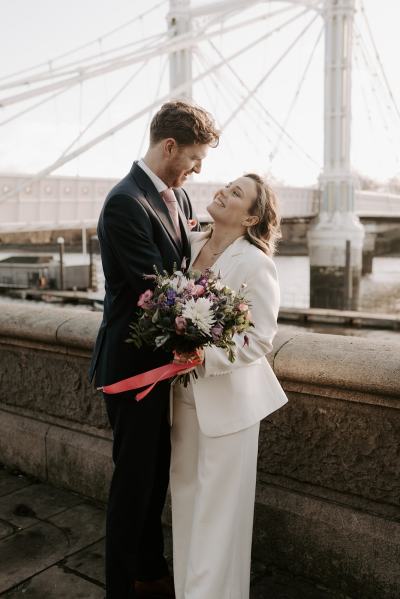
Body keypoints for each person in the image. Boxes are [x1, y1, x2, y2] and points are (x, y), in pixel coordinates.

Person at [89, 100, 220, 599]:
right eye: (195, 158)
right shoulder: (126, 202)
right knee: (133, 488)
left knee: (155, 479)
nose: (198, 169)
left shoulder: (180, 201)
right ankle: (120, 586)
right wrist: (211, 326)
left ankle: (151, 574)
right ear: (169, 146)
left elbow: (184, 272)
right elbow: (158, 290)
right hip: (131, 369)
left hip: (164, 367)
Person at [170, 173, 288, 599]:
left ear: (252, 217)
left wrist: (205, 355)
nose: (222, 191)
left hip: (228, 404)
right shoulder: (189, 244)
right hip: (181, 398)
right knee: (185, 502)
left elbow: (259, 338)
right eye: (227, 186)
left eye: (236, 193)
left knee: (219, 516)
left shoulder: (256, 264)